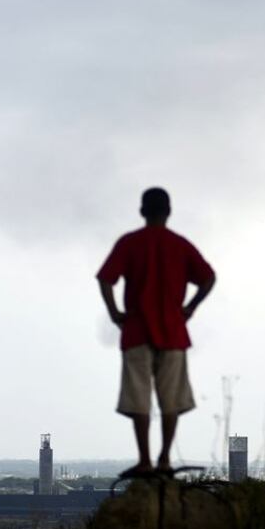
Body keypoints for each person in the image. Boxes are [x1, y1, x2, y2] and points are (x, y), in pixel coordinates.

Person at [98, 187, 216, 476]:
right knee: (171, 398)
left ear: (142, 211)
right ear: (169, 212)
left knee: (138, 397)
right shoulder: (179, 245)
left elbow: (106, 279)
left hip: (137, 331)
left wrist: (115, 313)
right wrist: (189, 308)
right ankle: (164, 459)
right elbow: (208, 278)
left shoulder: (130, 243)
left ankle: (145, 460)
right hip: (173, 332)